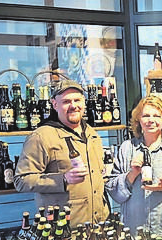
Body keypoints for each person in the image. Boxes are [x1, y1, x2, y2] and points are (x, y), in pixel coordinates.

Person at [15, 79, 109, 225]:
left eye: (77, 100)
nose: (73, 106)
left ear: (84, 102)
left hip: (98, 224)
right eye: (66, 101)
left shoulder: (92, 134)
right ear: (54, 104)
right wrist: (63, 180)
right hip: (64, 228)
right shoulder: (41, 136)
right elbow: (21, 181)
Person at [106, 96, 162, 240]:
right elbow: (114, 191)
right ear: (138, 120)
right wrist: (133, 173)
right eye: (146, 115)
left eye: (156, 116)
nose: (151, 120)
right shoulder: (127, 148)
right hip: (133, 235)